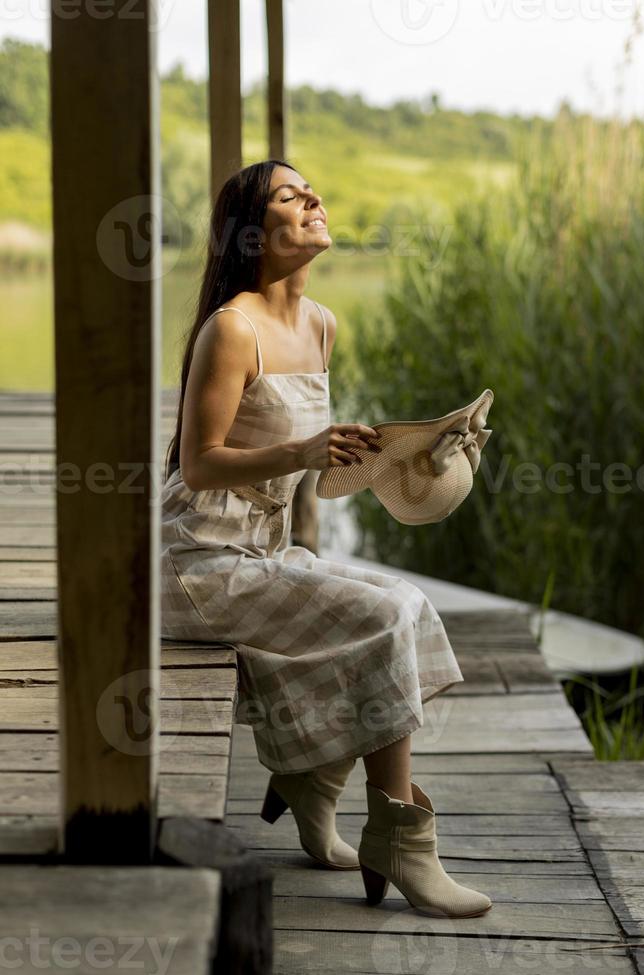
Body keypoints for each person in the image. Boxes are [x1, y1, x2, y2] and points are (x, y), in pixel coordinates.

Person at [160, 159, 491, 917]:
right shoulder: (231, 328)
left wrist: (423, 455)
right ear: (251, 232)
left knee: (408, 606)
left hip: (265, 553)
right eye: (288, 193)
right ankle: (401, 838)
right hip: (198, 563)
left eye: (312, 186)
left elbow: (327, 464)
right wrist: (303, 453)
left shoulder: (320, 323)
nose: (312, 197)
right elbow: (202, 463)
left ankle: (314, 780)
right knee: (379, 612)